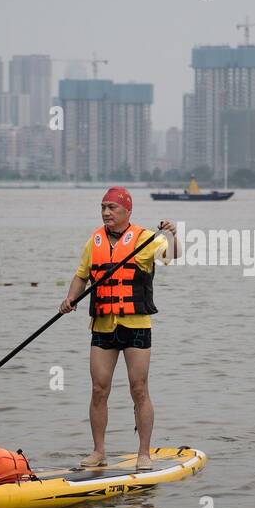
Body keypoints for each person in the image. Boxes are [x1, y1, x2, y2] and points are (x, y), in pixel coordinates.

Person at [59, 187, 179, 471]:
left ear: (127, 211)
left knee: (139, 389)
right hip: (102, 326)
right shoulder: (94, 240)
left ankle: (144, 454)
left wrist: (174, 236)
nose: (106, 213)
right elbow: (81, 276)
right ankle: (99, 452)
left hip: (136, 325)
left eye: (112, 207)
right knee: (99, 390)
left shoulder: (145, 239)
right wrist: (69, 299)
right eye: (103, 207)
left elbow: (170, 257)